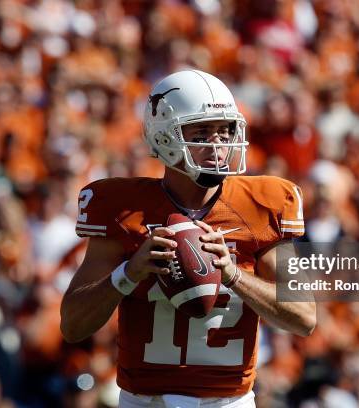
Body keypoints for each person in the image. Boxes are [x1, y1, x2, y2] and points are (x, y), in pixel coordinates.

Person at [60, 69, 316, 407]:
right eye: (202, 131)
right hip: (144, 401)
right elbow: (73, 325)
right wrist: (128, 274)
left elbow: (304, 317)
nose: (219, 144)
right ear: (164, 135)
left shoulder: (263, 202)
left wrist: (234, 275)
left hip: (229, 403)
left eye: (225, 130)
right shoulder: (123, 208)